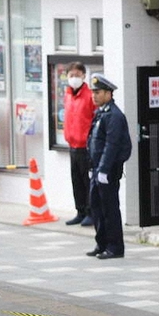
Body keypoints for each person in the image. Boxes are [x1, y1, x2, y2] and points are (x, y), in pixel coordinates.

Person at [85, 74, 132, 260]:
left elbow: (111, 145)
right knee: (96, 207)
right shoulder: (101, 113)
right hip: (97, 168)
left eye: (98, 92)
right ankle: (102, 243)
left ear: (108, 93)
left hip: (108, 170)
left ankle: (115, 247)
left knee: (110, 208)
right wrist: (92, 166)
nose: (94, 96)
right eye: (93, 93)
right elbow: (93, 142)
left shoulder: (114, 115)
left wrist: (104, 169)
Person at [63, 62, 96, 226]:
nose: (74, 78)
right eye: (71, 75)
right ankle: (80, 211)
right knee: (76, 180)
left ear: (84, 76)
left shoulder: (90, 96)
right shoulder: (68, 95)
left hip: (86, 146)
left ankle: (91, 212)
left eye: (77, 75)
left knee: (87, 181)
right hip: (73, 145)